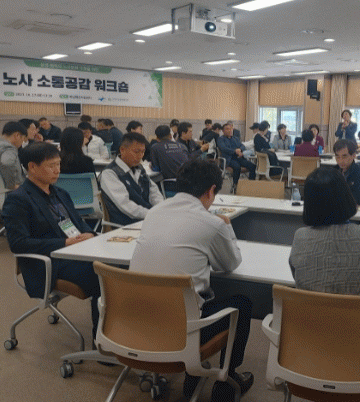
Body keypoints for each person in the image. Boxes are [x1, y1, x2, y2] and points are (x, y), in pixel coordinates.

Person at [130, 159, 254, 401]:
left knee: (198, 291)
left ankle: (194, 373)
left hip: (137, 321)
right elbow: (230, 263)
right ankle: (227, 383)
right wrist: (227, 227)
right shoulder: (212, 223)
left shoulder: (154, 213)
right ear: (211, 190)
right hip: (181, 330)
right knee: (242, 304)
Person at [2, 142, 100, 340]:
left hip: (77, 253)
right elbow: (19, 243)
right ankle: (102, 339)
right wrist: (64, 244)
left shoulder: (60, 193)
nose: (57, 170)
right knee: (105, 276)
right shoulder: (18, 199)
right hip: (48, 263)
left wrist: (89, 234)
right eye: (51, 165)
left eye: (58, 164)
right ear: (32, 167)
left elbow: (80, 222)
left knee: (117, 268)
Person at [290, 167, 360, 295]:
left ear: (308, 203)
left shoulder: (301, 238)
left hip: (312, 308)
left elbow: (299, 280)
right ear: (346, 197)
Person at [99, 132, 164, 226]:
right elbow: (126, 206)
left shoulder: (139, 168)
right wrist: (152, 214)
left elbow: (153, 192)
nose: (140, 156)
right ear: (122, 150)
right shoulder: (110, 173)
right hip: (126, 224)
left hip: (147, 219)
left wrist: (161, 208)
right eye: (136, 151)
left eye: (143, 152)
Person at [218, 123, 256, 187]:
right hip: (229, 159)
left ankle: (250, 185)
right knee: (237, 167)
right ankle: (235, 185)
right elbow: (224, 148)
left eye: (231, 129)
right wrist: (235, 151)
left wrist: (240, 150)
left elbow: (242, 146)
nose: (230, 130)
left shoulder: (236, 138)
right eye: (227, 129)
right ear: (223, 131)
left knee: (253, 166)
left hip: (239, 157)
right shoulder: (221, 139)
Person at [334, 139, 360, 206]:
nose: (340, 161)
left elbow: (357, 199)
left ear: (353, 155)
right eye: (337, 157)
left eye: (344, 156)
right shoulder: (333, 171)